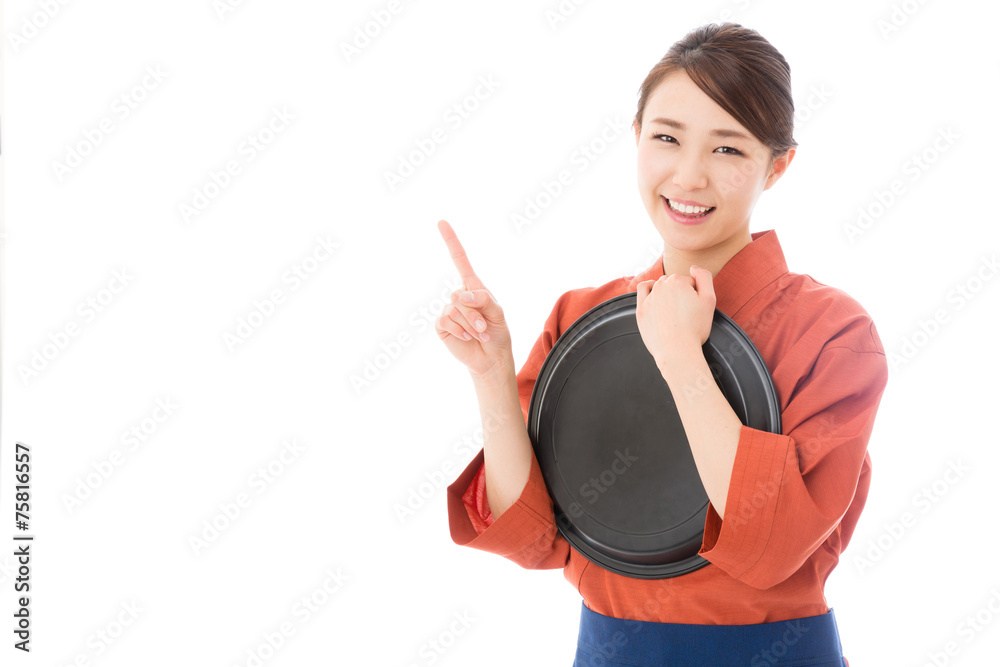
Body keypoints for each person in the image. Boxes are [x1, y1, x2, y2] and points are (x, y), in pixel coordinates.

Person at [434, 22, 888, 667]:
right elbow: (536, 537)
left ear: (777, 165)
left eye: (728, 150)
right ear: (638, 139)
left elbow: (773, 547)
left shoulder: (833, 333)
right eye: (667, 138)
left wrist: (681, 360)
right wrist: (491, 374)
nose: (688, 176)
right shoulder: (582, 318)